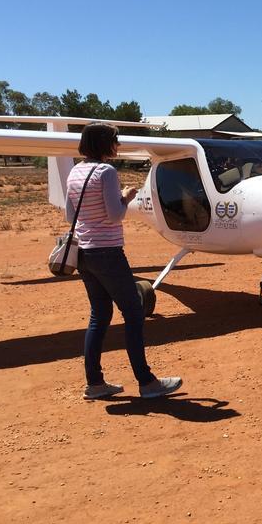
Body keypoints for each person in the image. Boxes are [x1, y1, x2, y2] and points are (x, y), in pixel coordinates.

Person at [66, 122, 182, 400]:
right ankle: (146, 382)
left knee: (100, 315)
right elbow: (116, 215)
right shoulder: (105, 172)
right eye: (114, 141)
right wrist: (126, 197)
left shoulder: (74, 171)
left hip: (85, 253)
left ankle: (95, 384)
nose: (117, 145)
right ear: (104, 143)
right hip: (107, 252)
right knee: (133, 312)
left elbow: (71, 216)